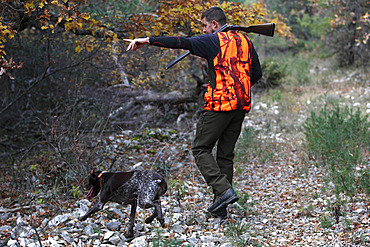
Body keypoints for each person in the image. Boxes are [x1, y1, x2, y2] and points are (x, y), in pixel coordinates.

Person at [124, 7, 262, 218]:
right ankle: (220, 207)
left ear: (214, 24)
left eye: (205, 25)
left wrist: (148, 40)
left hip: (220, 107)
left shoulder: (212, 40)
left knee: (200, 149)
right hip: (240, 107)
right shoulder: (246, 42)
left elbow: (182, 42)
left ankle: (224, 191)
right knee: (225, 155)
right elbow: (257, 74)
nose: (203, 30)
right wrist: (237, 87)